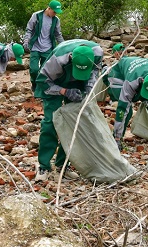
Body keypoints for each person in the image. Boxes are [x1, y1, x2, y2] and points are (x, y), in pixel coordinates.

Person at [34, 39, 104, 180]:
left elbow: (95, 71)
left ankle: (63, 166)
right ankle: (43, 166)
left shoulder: (97, 53)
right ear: (71, 58)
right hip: (55, 81)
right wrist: (64, 91)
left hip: (79, 82)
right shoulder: (57, 60)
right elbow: (43, 82)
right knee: (50, 123)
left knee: (74, 123)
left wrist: (88, 89)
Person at [103, 57, 148, 146]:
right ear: (143, 81)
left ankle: (144, 130)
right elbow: (122, 108)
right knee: (127, 112)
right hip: (118, 75)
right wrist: (117, 137)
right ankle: (117, 137)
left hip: (138, 74)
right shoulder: (131, 81)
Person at [23, 0, 64, 91]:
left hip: (48, 48)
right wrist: (26, 41)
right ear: (49, 8)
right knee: (34, 69)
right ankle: (34, 83)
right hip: (35, 47)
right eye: (54, 12)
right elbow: (29, 30)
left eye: (57, 13)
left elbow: (58, 35)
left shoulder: (56, 20)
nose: (55, 14)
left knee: (44, 71)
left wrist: (63, 46)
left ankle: (41, 89)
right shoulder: (36, 16)